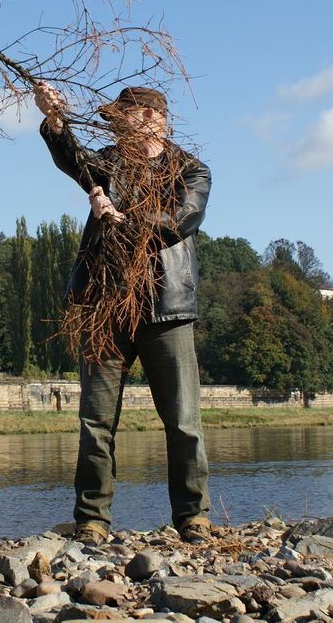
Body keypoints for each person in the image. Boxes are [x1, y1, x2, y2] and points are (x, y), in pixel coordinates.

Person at [34, 83, 213, 545]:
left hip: (167, 308)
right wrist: (55, 119)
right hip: (102, 306)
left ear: (154, 118)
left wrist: (121, 218)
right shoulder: (108, 162)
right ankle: (91, 520)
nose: (114, 122)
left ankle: (193, 516)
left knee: (183, 421)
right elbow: (73, 158)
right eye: (112, 116)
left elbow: (181, 220)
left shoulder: (191, 169)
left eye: (123, 115)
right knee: (95, 422)